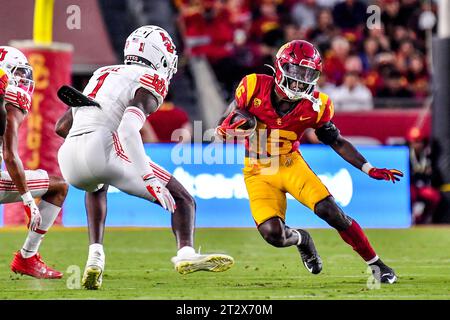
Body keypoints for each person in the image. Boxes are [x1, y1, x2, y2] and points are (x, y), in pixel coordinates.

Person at [56, 26, 234, 290]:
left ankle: (96, 256)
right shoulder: (151, 78)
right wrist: (147, 177)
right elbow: (128, 130)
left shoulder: (100, 74)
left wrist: (91, 137)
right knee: (183, 199)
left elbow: (61, 126)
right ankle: (185, 254)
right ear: (159, 56)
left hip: (69, 159)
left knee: (97, 183)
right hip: (104, 149)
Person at [216, 40, 403, 284]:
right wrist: (225, 127)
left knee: (331, 211)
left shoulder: (316, 105)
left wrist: (368, 168)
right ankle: (302, 239)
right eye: (296, 72)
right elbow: (229, 117)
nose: (300, 80)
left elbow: (335, 141)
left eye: (307, 74)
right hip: (257, 169)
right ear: (281, 67)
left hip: (290, 163)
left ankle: (377, 265)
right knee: (273, 235)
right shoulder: (252, 86)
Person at [0, 46, 68, 279]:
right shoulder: (10, 103)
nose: (23, 81)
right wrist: (29, 201)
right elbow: (10, 155)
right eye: (17, 74)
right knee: (59, 186)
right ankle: (27, 257)